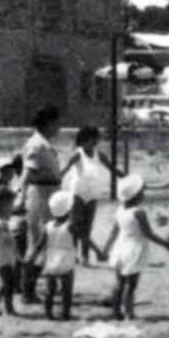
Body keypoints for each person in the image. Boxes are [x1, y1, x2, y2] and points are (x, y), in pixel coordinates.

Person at [103, 175, 169, 320]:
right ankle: (130, 313)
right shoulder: (139, 212)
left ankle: (116, 311)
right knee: (131, 284)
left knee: (119, 283)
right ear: (136, 195)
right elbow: (148, 234)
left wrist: (105, 249)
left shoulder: (119, 211)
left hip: (120, 248)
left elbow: (113, 233)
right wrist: (166, 244)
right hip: (133, 249)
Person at [26, 191, 103, 320]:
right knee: (67, 290)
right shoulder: (71, 226)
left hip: (51, 259)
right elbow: (85, 239)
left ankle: (49, 313)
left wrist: (32, 258)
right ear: (69, 210)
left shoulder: (47, 226)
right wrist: (98, 252)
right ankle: (65, 314)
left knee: (50, 290)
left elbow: (39, 245)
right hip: (66, 260)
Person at [60, 126, 123, 265]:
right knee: (76, 226)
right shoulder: (78, 154)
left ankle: (85, 256)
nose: (94, 142)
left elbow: (112, 169)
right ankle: (73, 255)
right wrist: (56, 181)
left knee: (87, 226)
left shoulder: (99, 155)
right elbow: (65, 170)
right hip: (77, 193)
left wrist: (127, 177)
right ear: (82, 141)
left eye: (95, 139)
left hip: (92, 195)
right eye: (91, 139)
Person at [19, 104, 63, 303]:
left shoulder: (43, 143)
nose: (59, 127)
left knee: (46, 243)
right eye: (56, 123)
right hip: (39, 194)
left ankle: (29, 288)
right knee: (39, 243)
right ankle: (27, 291)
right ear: (47, 124)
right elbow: (27, 173)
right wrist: (21, 198)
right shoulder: (37, 144)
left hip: (49, 192)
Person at [0, 177, 20, 316]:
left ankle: (1, 306)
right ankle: (4, 307)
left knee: (8, 282)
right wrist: (14, 234)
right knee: (7, 282)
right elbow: (7, 239)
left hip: (5, 253)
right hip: (1, 254)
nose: (11, 208)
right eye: (9, 205)